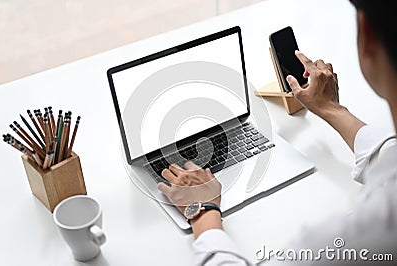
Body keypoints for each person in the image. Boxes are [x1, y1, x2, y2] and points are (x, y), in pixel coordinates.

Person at [157, 0, 397, 265]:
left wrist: (203, 209)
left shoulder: (339, 245)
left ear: (367, 36)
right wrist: (332, 109)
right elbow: (391, 161)